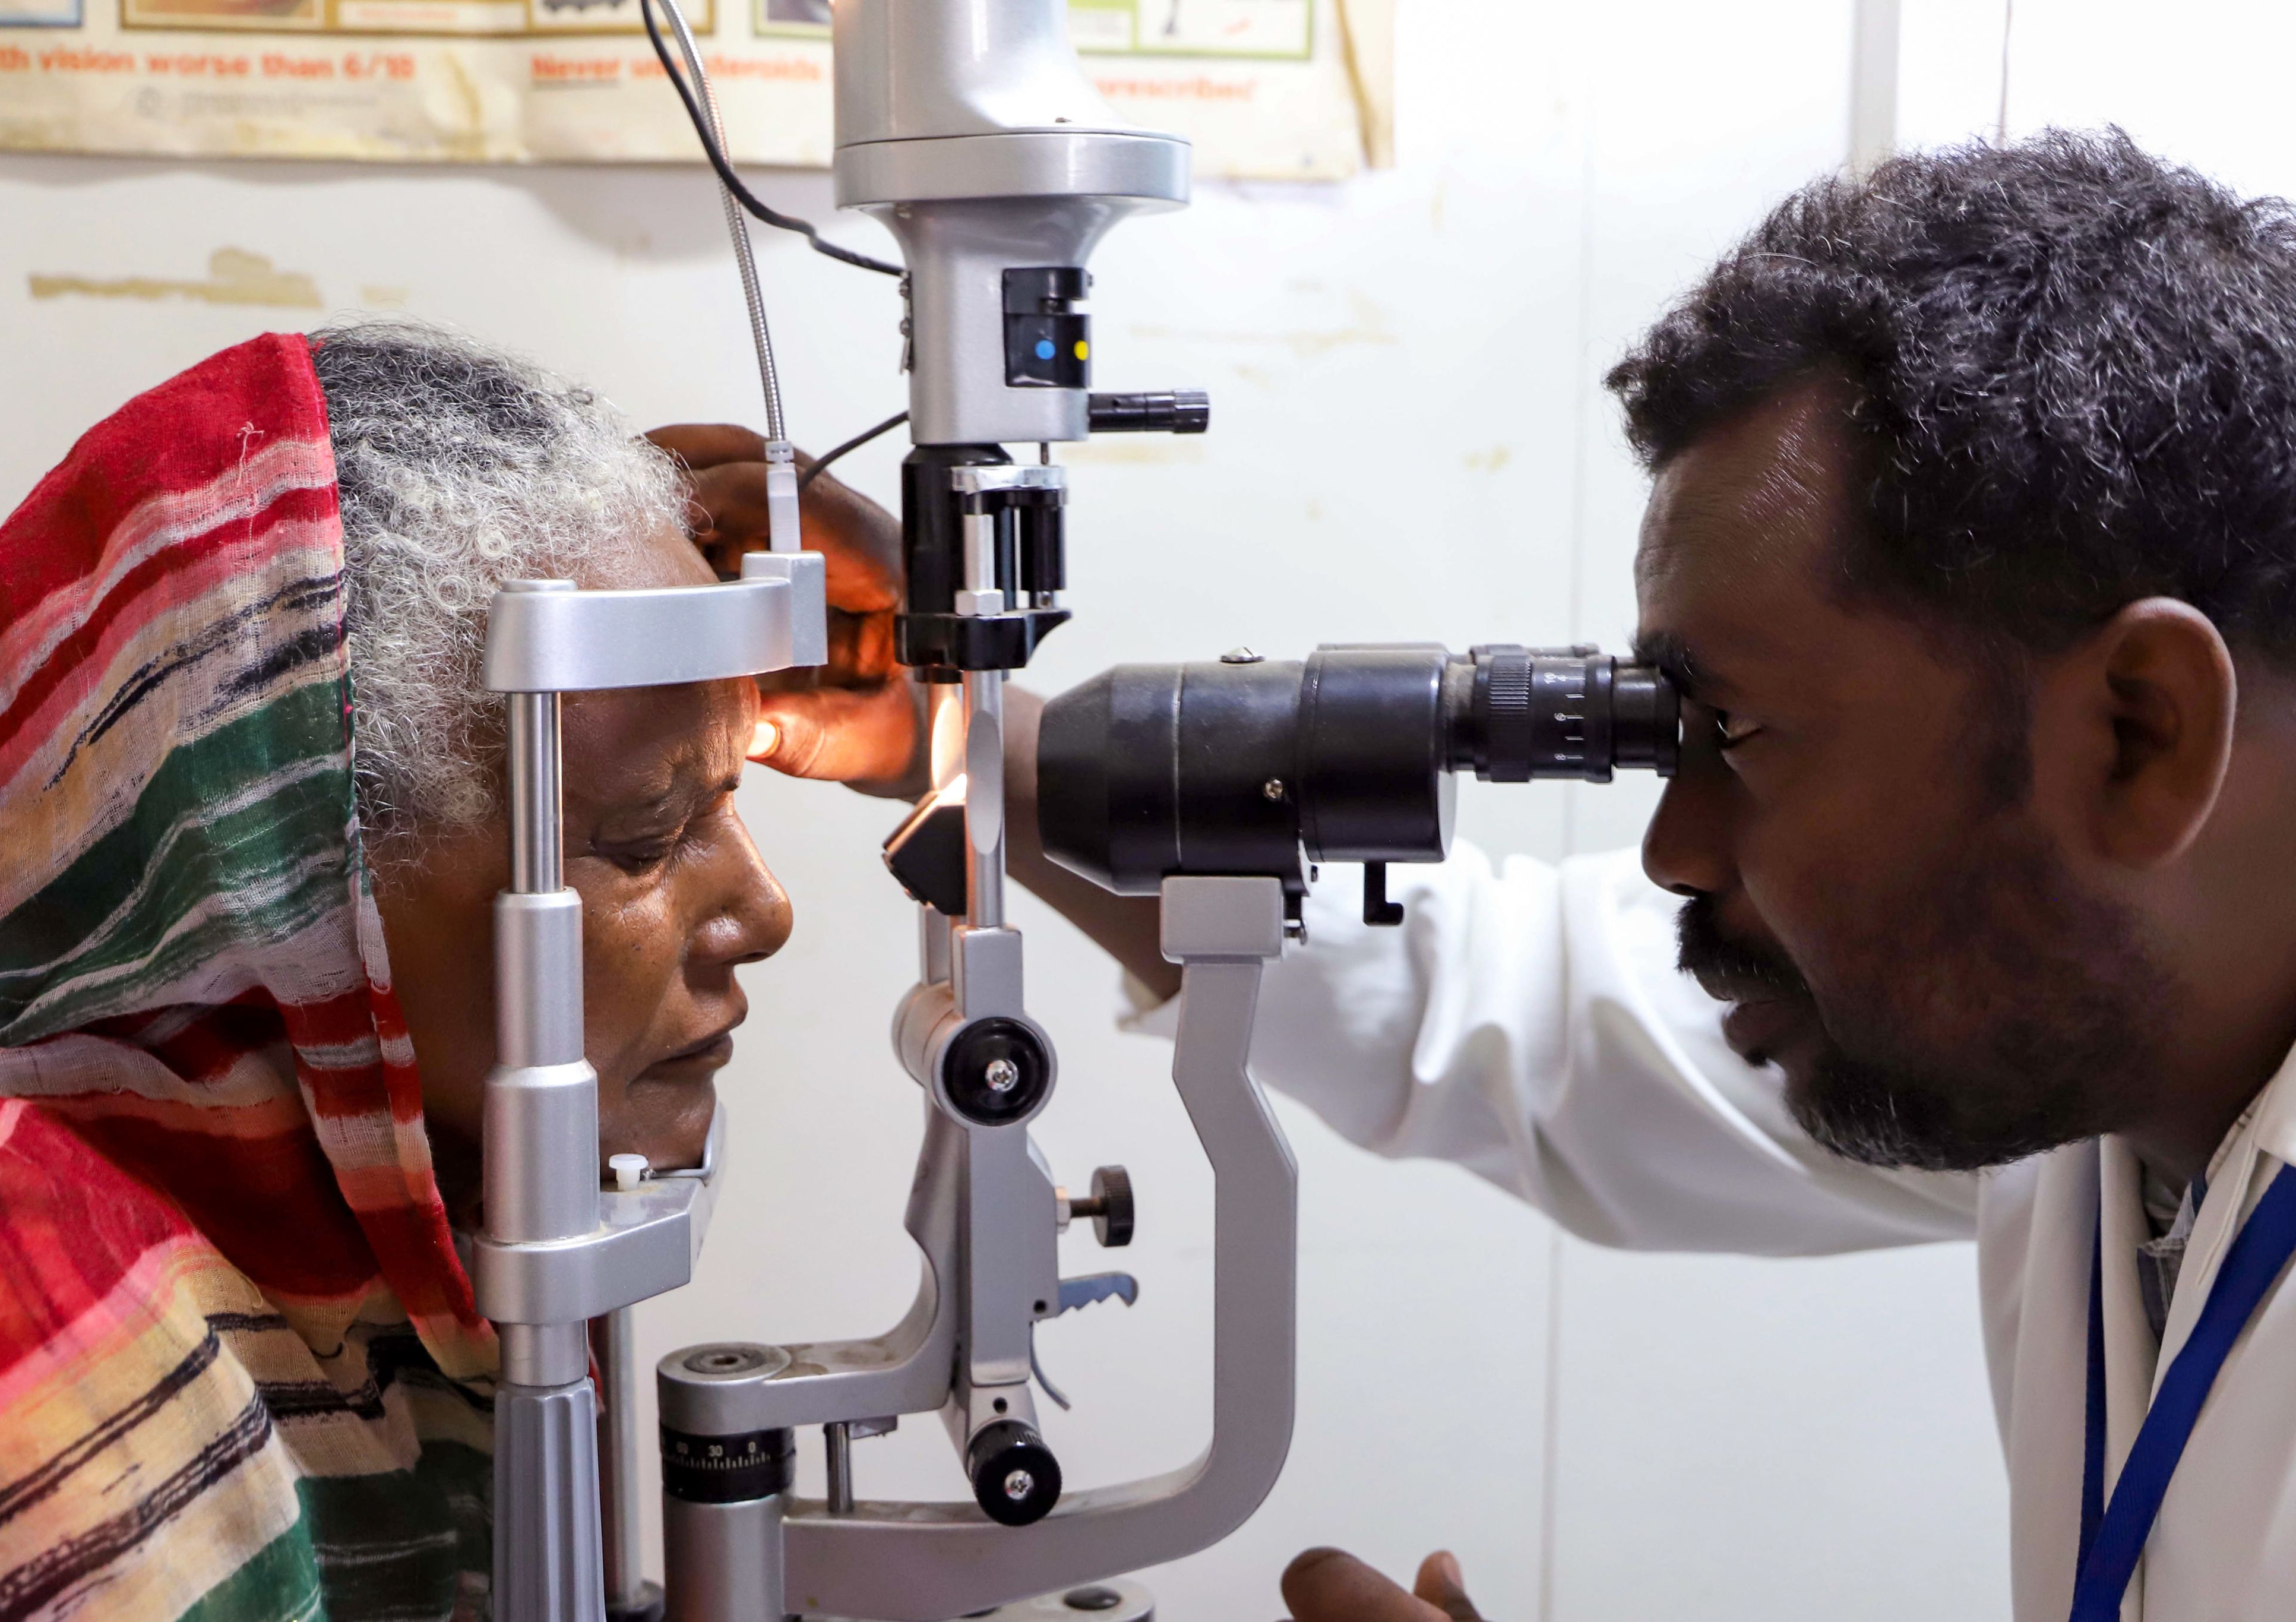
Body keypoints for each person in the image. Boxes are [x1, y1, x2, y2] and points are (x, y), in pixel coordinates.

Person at [735, 130, 2296, 1621]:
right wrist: (946, 727)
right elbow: (1526, 1021)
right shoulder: (2058, 1040)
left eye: (1735, 731)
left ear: (2139, 735)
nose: (1674, 846)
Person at [0, 321, 800, 1621]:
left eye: (733, 796)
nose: (765, 908)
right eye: (647, 832)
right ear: (311, 873)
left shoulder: (429, 1233)